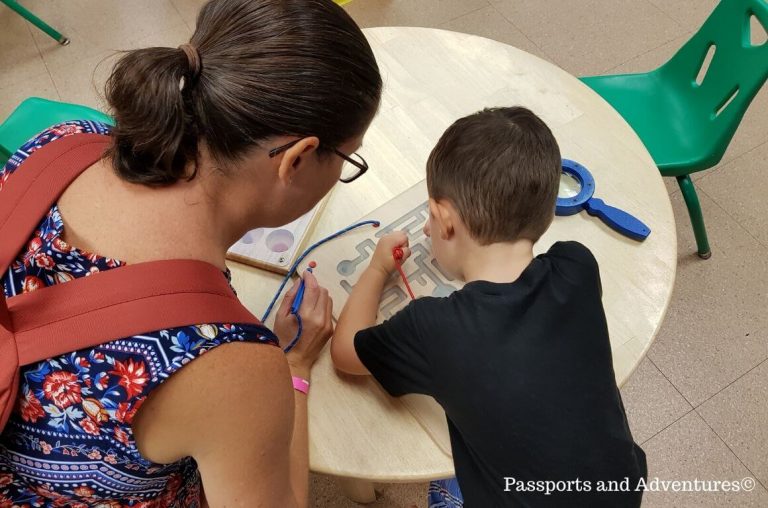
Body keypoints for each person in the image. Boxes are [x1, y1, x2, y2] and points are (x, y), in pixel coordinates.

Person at [0, 0, 381, 506]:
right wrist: (297, 366)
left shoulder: (66, 141)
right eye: (347, 157)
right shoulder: (230, 365)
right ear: (298, 158)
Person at [331, 107, 647, 507]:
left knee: (445, 481)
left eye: (430, 217)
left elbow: (345, 353)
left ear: (445, 221)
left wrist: (377, 269)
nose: (427, 229)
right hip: (619, 492)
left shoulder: (433, 328)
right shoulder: (578, 267)